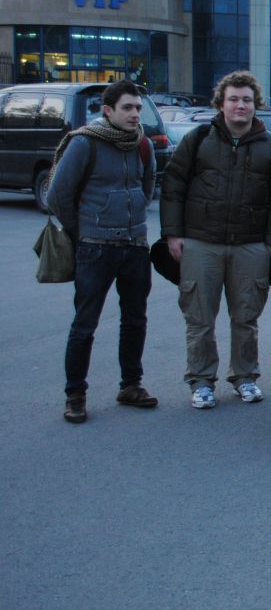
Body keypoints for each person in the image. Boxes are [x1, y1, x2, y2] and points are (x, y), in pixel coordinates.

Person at [161, 70, 271, 409]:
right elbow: (173, 187)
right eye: (233, 99)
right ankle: (202, 381)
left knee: (246, 317)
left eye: (247, 100)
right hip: (201, 242)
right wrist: (173, 234)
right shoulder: (198, 139)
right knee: (200, 318)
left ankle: (245, 377)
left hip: (251, 245)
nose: (240, 105)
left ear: (255, 104)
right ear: (221, 103)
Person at [48, 80, 157, 423]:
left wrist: (132, 215)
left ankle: (131, 385)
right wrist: (83, 231)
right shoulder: (85, 142)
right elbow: (57, 195)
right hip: (95, 248)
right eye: (127, 108)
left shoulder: (142, 144)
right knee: (85, 325)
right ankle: (75, 395)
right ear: (108, 111)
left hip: (135, 246)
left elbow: (147, 187)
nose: (135, 114)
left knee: (135, 320)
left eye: (138, 108)